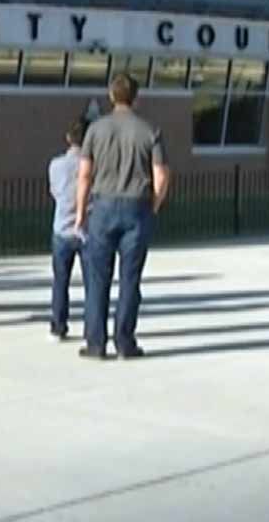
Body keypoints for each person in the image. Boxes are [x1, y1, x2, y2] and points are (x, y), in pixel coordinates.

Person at [75, 73, 171, 360]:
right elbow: (162, 174)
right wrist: (154, 203)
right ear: (136, 97)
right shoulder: (150, 130)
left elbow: (83, 175)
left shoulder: (95, 130)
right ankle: (125, 342)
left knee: (97, 279)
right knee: (130, 279)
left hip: (102, 206)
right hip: (136, 206)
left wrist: (80, 212)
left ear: (110, 95)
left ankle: (95, 342)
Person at [47, 119, 89, 341]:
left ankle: (58, 325)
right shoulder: (94, 165)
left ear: (68, 139)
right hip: (87, 228)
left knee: (60, 280)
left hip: (62, 226)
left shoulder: (56, 165)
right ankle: (92, 326)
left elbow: (54, 191)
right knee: (93, 283)